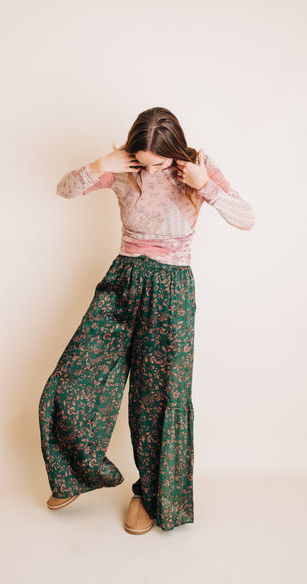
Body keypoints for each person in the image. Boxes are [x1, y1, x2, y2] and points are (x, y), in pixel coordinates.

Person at [38, 106, 255, 535]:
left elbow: (246, 218)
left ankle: (150, 495)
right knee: (74, 377)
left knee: (159, 398)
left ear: (175, 151)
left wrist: (206, 186)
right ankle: (76, 472)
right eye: (143, 162)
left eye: (159, 163)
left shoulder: (198, 167)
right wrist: (100, 165)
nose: (150, 171)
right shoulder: (123, 166)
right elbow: (64, 189)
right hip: (122, 280)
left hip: (172, 290)